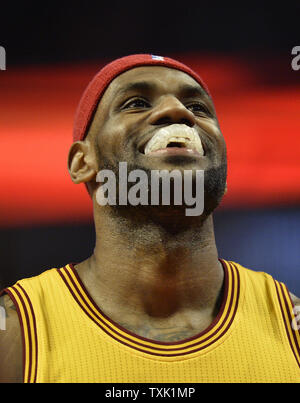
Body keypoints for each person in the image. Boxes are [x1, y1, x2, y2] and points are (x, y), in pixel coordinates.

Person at [0, 54, 299, 383]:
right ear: (82, 162)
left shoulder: (289, 323)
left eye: (198, 108)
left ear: (225, 168)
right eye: (136, 102)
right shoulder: (16, 331)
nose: (178, 112)